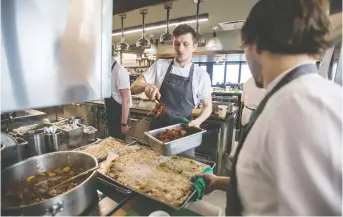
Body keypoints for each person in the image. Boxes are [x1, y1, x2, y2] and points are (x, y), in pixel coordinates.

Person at [198, 0, 342, 215]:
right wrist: (220, 181)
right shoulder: (314, 94)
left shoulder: (295, 105)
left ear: (255, 45)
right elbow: (283, 183)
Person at [131, 24, 212, 156]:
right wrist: (146, 86)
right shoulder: (160, 65)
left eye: (186, 44)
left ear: (194, 46)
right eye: (176, 44)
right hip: (159, 134)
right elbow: (133, 87)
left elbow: (208, 106)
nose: (180, 49)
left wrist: (198, 121)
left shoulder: (201, 75)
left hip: (184, 135)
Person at [104, 45, 132, 140]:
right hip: (111, 112)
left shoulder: (119, 70)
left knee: (118, 145)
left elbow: (126, 99)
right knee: (112, 142)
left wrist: (124, 123)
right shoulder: (107, 69)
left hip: (119, 114)